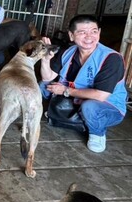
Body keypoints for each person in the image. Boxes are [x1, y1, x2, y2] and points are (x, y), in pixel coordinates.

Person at [40, 14, 127, 153]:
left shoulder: (111, 58)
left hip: (107, 107)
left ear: (99, 33)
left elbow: (100, 96)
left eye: (93, 31)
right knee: (42, 86)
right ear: (71, 35)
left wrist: (65, 91)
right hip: (76, 97)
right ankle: (64, 114)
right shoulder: (68, 52)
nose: (89, 37)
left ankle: (97, 133)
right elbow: (47, 78)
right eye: (82, 32)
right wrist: (45, 58)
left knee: (90, 107)